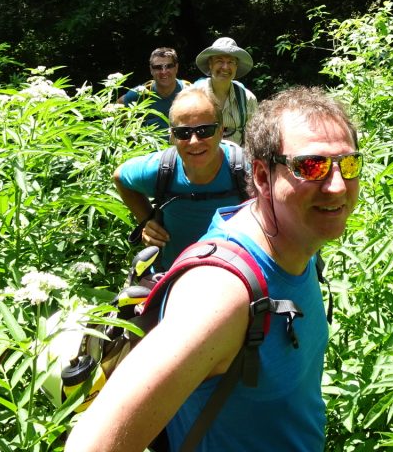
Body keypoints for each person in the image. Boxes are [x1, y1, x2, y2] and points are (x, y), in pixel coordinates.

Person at [65, 86, 361, 452]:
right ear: (263, 177)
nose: (336, 186)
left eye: (348, 164)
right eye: (311, 166)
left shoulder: (298, 246)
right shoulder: (220, 295)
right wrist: (146, 221)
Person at [113, 86, 248, 271]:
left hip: (236, 278)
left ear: (221, 130)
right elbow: (119, 176)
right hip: (172, 276)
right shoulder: (160, 169)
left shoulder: (246, 169)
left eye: (204, 130)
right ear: (172, 137)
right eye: (183, 133)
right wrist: (148, 221)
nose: (194, 141)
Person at [193, 37, 258, 145]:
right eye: (219, 61)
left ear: (236, 66)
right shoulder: (192, 96)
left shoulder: (248, 98)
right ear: (210, 64)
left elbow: (254, 138)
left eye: (231, 62)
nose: (225, 67)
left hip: (237, 160)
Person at [118, 47, 190, 130]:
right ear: (151, 70)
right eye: (158, 67)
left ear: (176, 67)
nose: (164, 72)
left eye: (169, 66)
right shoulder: (142, 93)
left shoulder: (189, 91)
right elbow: (119, 105)